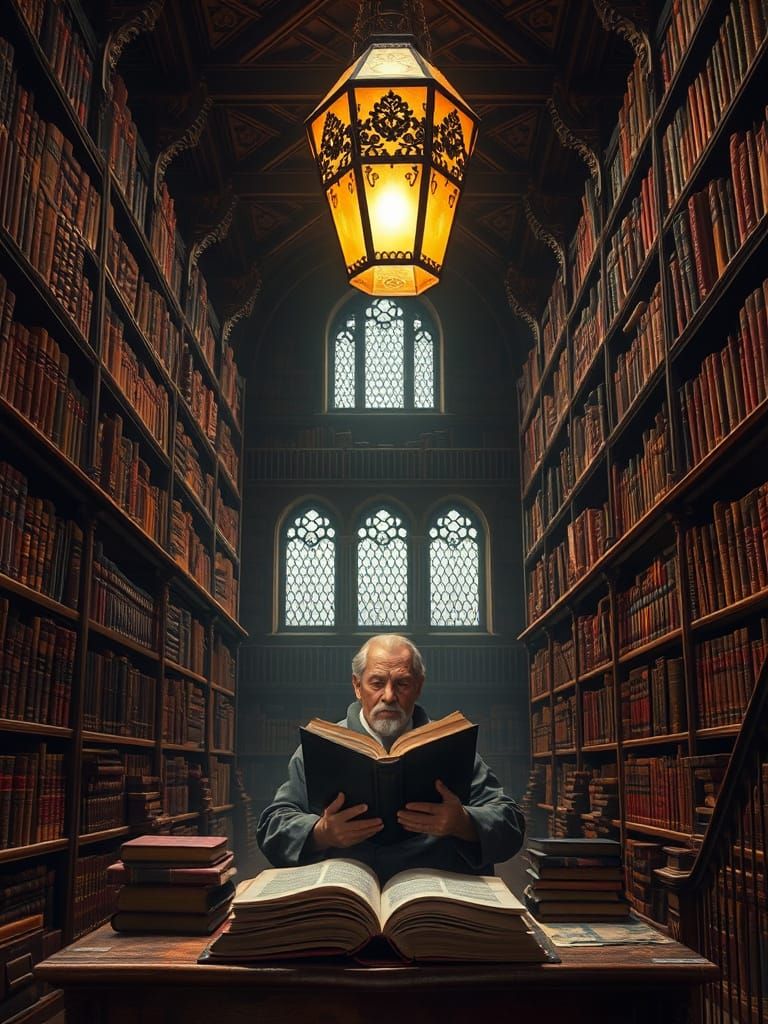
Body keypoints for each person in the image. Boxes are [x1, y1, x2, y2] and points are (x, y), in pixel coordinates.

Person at [256, 634, 525, 883]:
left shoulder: (450, 745)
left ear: (418, 687)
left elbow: (510, 822)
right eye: (376, 683)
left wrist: (463, 823)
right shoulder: (320, 748)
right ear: (357, 686)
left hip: (431, 899)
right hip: (347, 898)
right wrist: (320, 832)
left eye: (402, 683)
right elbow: (272, 827)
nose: (388, 696)